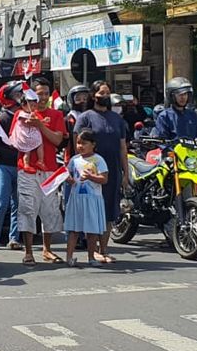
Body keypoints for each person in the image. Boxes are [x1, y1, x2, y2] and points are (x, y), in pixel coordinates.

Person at [73, 83, 130, 262]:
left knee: (109, 210)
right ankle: (94, 250)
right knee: (93, 210)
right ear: (93, 95)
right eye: (101, 92)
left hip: (111, 170)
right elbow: (78, 147)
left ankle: (104, 249)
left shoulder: (117, 119)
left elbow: (122, 148)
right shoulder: (85, 118)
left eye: (107, 92)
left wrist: (126, 173)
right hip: (90, 171)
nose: (105, 95)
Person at [15, 79, 67, 266]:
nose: (42, 98)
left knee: (50, 210)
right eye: (39, 94)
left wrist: (40, 126)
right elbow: (16, 139)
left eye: (46, 93)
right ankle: (28, 252)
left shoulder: (56, 115)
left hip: (50, 169)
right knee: (27, 209)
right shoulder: (21, 114)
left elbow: (57, 140)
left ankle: (47, 250)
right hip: (27, 169)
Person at [0, 80, 23, 251]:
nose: (20, 97)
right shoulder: (1, 119)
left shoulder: (23, 116)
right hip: (4, 167)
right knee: (2, 202)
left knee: (18, 203)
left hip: (21, 166)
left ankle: (14, 238)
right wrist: (12, 150)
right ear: (7, 97)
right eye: (17, 94)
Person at [64, 130, 109, 267]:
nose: (80, 146)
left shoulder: (98, 160)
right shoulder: (74, 160)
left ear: (93, 144)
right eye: (78, 143)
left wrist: (91, 177)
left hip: (92, 199)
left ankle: (91, 257)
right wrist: (69, 179)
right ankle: (69, 257)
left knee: (92, 230)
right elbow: (68, 174)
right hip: (76, 198)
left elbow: (104, 179)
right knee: (74, 229)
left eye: (84, 143)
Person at [153, 77, 197, 142]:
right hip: (173, 151)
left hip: (193, 151)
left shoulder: (193, 115)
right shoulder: (164, 116)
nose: (183, 97)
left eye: (185, 94)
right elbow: (162, 141)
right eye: (179, 94)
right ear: (172, 96)